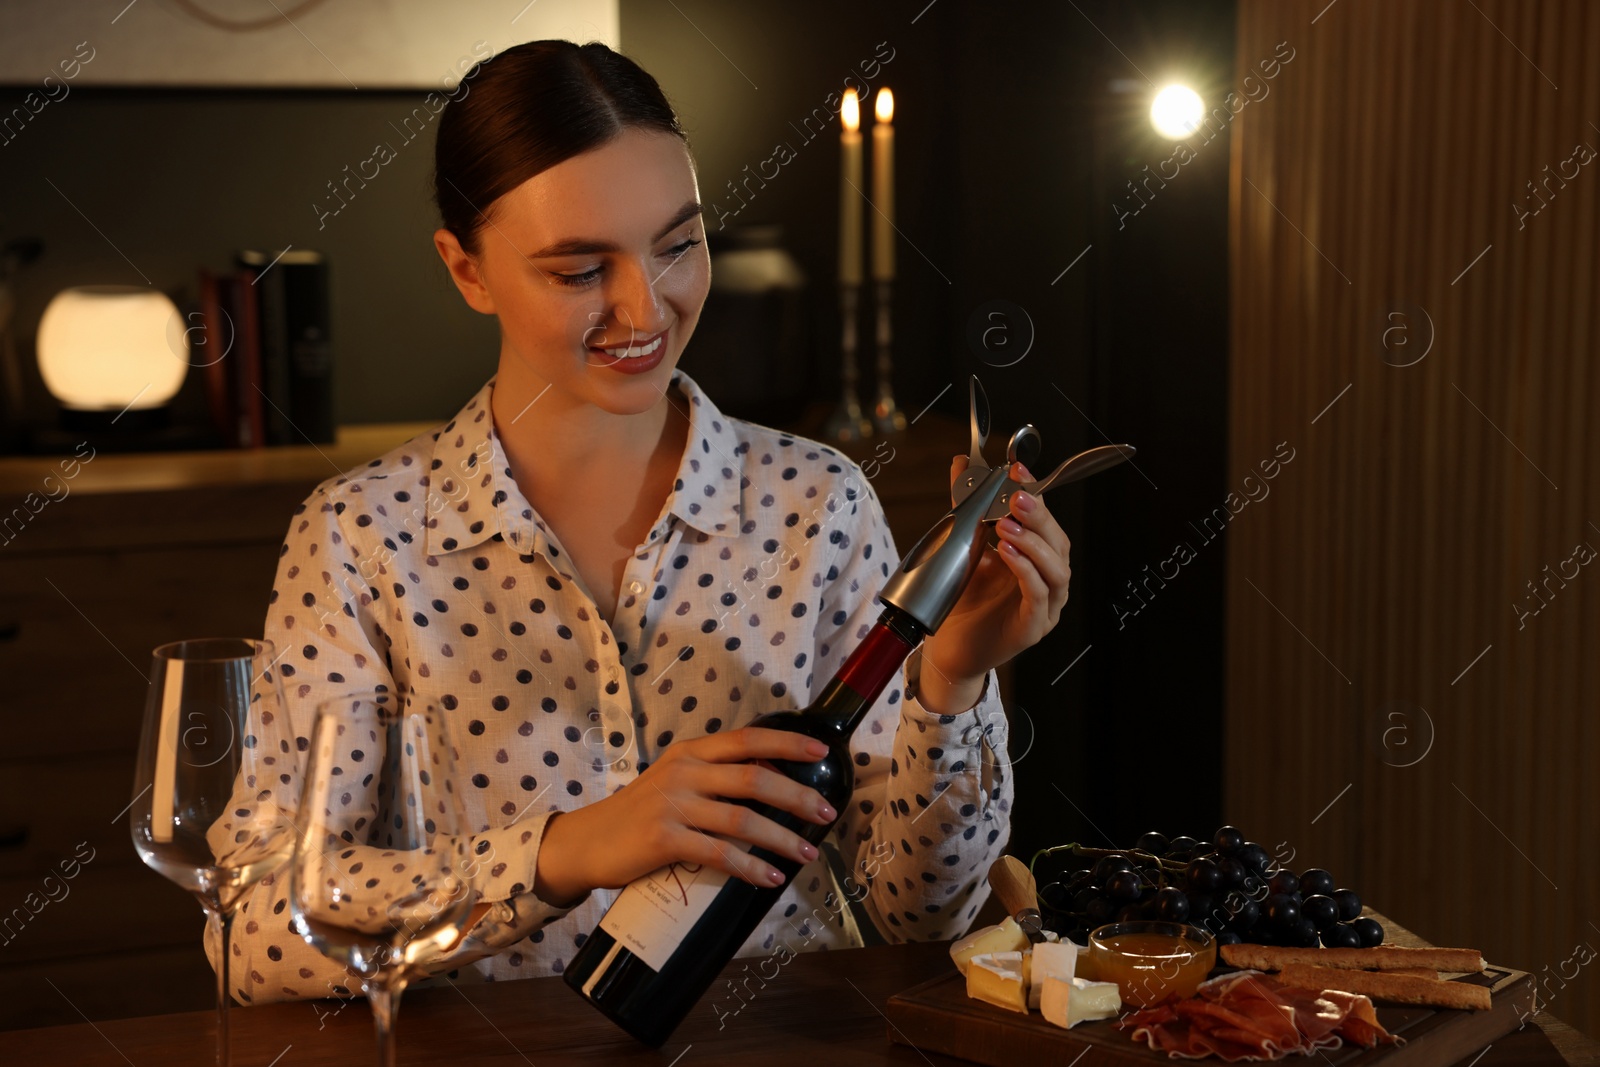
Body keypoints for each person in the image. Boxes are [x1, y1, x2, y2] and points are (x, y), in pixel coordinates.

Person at [206, 39, 1072, 1005]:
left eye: (677, 245)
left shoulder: (818, 504)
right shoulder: (363, 538)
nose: (644, 307)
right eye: (580, 271)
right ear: (467, 270)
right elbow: (256, 936)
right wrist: (571, 848)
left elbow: (917, 915)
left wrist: (954, 678)